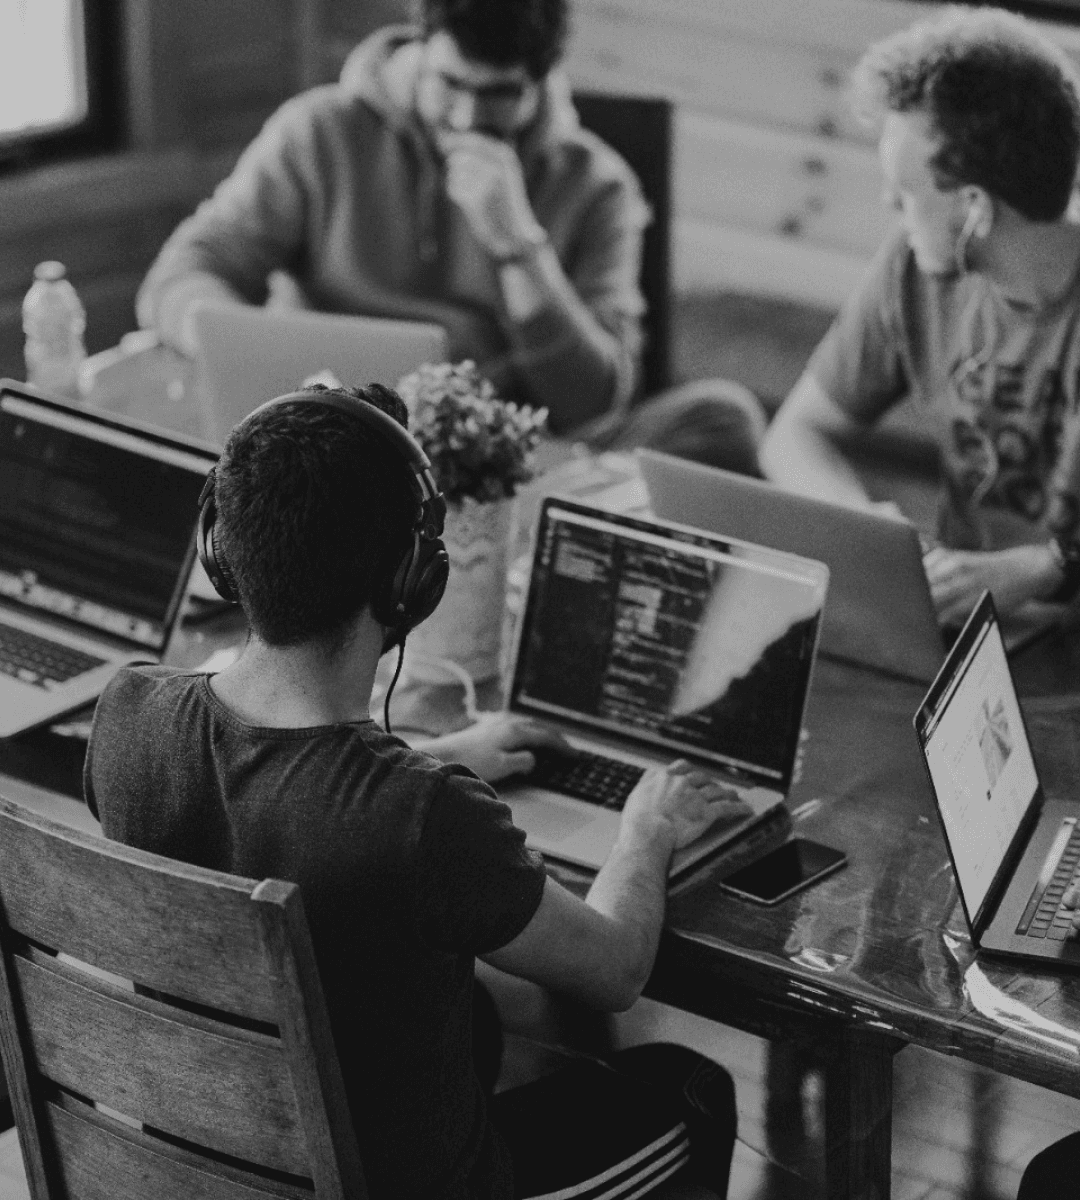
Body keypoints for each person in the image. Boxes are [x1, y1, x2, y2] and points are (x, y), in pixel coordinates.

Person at [83, 383, 741, 1199]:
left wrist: (438, 750)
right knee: (690, 1089)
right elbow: (614, 972)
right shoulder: (424, 816)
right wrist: (648, 829)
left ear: (223, 548)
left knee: (478, 1022)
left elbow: (278, 787)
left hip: (193, 1164)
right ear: (412, 581)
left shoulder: (127, 716)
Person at [135, 0, 764, 473]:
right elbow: (185, 272)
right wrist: (225, 341)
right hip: (327, 441)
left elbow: (593, 405)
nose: (466, 117)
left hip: (500, 461)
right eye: (450, 84)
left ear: (541, 80)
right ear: (422, 42)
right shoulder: (317, 132)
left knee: (723, 419)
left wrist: (519, 246)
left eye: (497, 94)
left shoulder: (598, 186)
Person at [760, 6, 1080, 628]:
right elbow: (795, 435)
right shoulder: (910, 272)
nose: (889, 206)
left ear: (974, 210)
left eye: (905, 193)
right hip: (958, 631)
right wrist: (863, 523)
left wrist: (1047, 567)